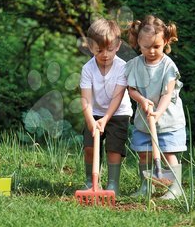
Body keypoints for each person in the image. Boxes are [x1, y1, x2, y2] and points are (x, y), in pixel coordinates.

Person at [125, 15, 186, 199]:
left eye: (156, 47)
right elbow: (131, 89)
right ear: (138, 43)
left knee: (168, 153)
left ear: (166, 41)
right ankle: (146, 186)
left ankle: (175, 189)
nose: (151, 51)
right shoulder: (135, 65)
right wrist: (142, 101)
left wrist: (158, 112)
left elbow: (167, 93)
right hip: (145, 121)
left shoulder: (168, 66)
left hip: (168, 120)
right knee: (144, 154)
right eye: (146, 47)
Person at [80, 18, 133, 195]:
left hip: (118, 113)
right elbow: (86, 99)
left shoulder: (122, 67)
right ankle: (91, 181)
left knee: (114, 148)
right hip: (93, 113)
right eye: (99, 50)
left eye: (109, 50)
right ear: (90, 46)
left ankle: (112, 184)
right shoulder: (88, 69)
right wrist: (91, 121)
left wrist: (106, 119)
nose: (105, 54)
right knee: (89, 148)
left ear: (117, 46)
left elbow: (118, 97)